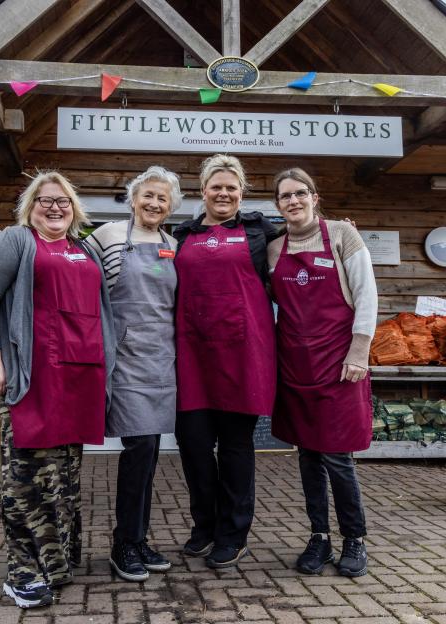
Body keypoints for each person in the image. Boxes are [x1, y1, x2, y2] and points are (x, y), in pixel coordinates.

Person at [0, 171, 115, 608]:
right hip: (32, 378)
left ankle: (56, 562)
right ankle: (23, 572)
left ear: (75, 209)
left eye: (64, 202)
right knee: (26, 479)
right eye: (45, 200)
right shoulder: (16, 240)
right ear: (30, 205)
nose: (55, 208)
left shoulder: (83, 247)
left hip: (78, 378)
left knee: (64, 479)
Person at [267, 167, 378, 578]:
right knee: (308, 456)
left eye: (300, 193)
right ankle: (319, 537)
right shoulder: (274, 248)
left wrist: (359, 352)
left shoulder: (344, 236)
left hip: (340, 364)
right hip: (295, 365)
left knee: (337, 455)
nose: (293, 201)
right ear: (277, 205)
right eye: (284, 196)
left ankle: (354, 538)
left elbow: (366, 294)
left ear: (315, 197)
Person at [171, 154, 278, 569]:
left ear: (242, 191)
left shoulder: (260, 231)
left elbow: (298, 254)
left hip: (242, 355)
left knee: (235, 449)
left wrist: (339, 234)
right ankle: (204, 527)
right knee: (195, 446)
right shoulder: (181, 234)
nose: (224, 193)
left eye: (231, 186)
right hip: (193, 357)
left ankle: (233, 534)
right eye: (216, 186)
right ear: (203, 190)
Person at [87, 166, 182, 582]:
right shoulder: (107, 236)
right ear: (132, 198)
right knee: (139, 446)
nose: (154, 204)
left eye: (162, 198)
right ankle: (123, 542)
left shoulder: (172, 245)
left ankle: (138, 538)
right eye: (148, 195)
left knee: (150, 451)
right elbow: (73, 276)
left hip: (161, 358)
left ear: (171, 206)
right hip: (123, 357)